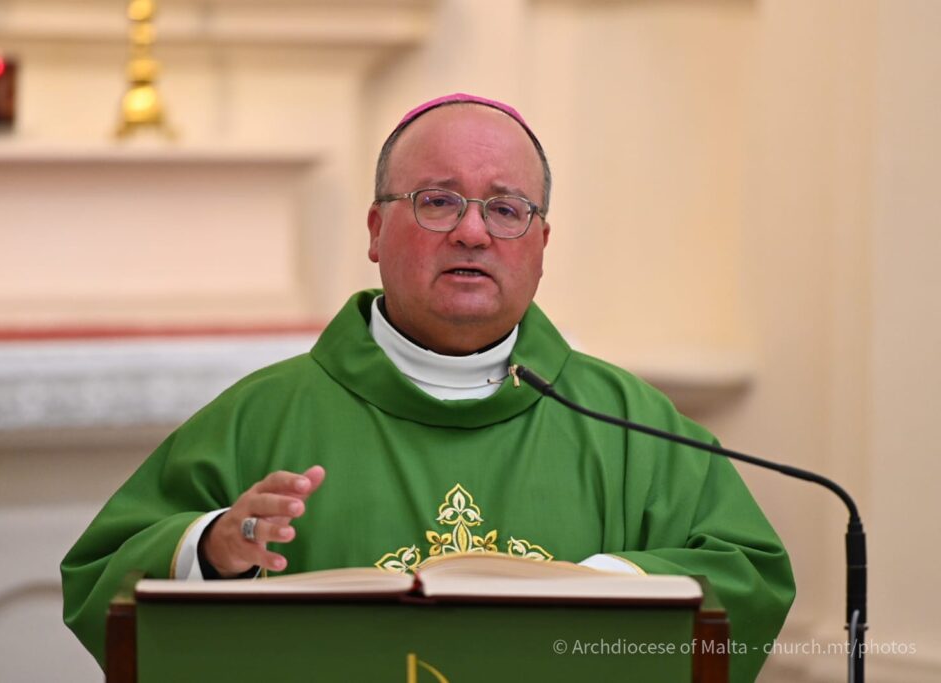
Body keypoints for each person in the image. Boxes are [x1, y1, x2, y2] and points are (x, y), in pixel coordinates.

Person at [61, 94, 794, 683]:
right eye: (439, 201)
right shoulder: (262, 417)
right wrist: (211, 550)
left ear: (541, 246)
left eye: (506, 209)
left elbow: (750, 575)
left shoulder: (628, 423)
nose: (473, 232)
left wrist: (610, 586)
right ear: (376, 229)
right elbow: (101, 577)